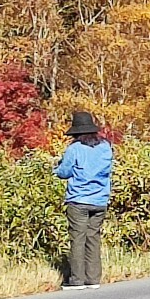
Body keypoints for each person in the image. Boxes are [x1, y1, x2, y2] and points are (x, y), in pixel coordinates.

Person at [52, 110, 113, 288]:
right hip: (100, 200)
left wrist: (55, 168)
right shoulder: (105, 147)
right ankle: (93, 279)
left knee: (78, 239)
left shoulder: (74, 149)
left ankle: (77, 280)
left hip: (79, 200)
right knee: (93, 238)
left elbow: (64, 172)